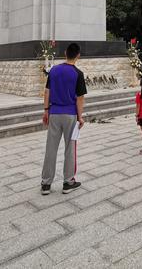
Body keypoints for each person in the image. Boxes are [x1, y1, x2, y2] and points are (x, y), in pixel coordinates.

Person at [41, 43, 86, 195]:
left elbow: (47, 92)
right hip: (70, 115)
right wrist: (80, 117)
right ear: (78, 55)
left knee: (50, 148)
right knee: (70, 149)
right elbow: (80, 98)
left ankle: (46, 184)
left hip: (54, 112)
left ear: (65, 53)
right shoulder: (78, 73)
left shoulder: (53, 70)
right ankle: (68, 182)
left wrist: (46, 110)